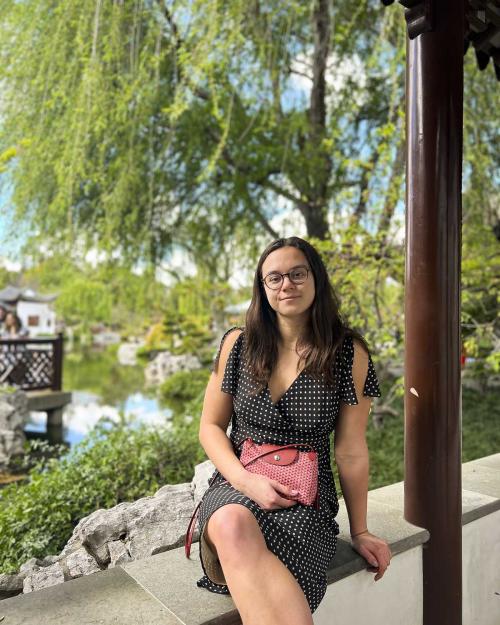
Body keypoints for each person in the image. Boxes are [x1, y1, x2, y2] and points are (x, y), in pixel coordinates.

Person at [195, 236, 391, 623]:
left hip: (305, 500)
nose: (287, 285)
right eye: (275, 278)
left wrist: (361, 530)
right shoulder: (238, 344)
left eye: (297, 274)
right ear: (262, 287)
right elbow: (210, 426)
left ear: (316, 279)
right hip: (235, 485)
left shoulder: (348, 353)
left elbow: (350, 450)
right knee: (232, 522)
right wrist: (246, 481)